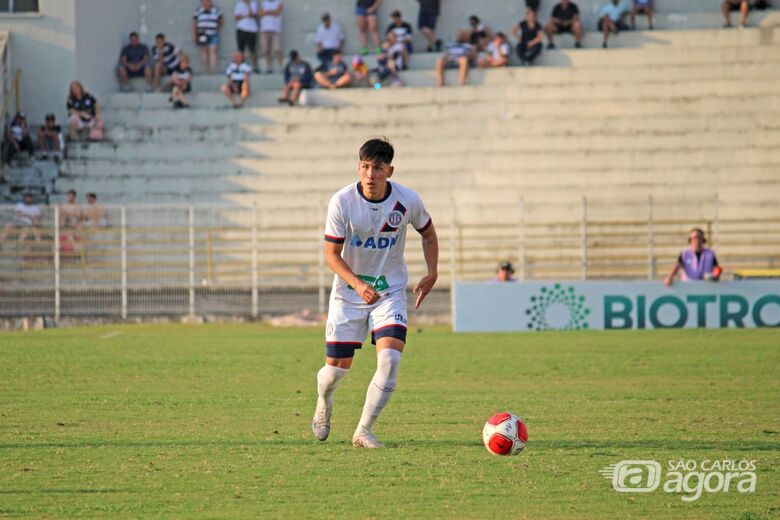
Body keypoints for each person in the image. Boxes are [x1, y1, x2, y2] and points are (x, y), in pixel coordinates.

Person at [311, 138, 438, 449]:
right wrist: (357, 283)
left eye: (377, 168)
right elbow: (331, 254)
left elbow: (428, 234)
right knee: (334, 373)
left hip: (390, 291)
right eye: (365, 167)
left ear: (389, 171)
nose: (370, 175)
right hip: (348, 295)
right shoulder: (342, 201)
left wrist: (432, 272)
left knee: (391, 360)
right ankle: (323, 401)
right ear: (359, 167)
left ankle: (363, 431)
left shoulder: (407, 200)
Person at [193, 0, 224, 74]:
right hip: (202, 34)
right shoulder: (198, 11)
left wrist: (215, 28)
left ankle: (212, 70)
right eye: (204, 2)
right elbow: (194, 23)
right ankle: (205, 70)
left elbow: (221, 21)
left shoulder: (216, 10)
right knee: (204, 51)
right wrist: (195, 34)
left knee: (213, 51)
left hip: (213, 34)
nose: (206, 3)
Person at [259, 0, 284, 74]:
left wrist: (266, 12)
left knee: (277, 49)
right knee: (266, 50)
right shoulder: (263, 2)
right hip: (264, 29)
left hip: (275, 30)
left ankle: (280, 66)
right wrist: (271, 12)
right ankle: (268, 67)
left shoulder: (279, 2)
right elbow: (260, 13)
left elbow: (277, 12)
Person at [235, 0, 259, 73]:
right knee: (240, 49)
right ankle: (241, 67)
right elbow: (236, 16)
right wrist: (245, 15)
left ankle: (254, 67)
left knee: (252, 50)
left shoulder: (254, 3)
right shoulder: (239, 4)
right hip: (241, 28)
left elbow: (254, 15)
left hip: (252, 29)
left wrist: (248, 6)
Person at [59, 190, 82, 256]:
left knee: (75, 239)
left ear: (74, 197)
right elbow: (60, 216)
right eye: (69, 196)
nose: (70, 198)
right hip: (64, 226)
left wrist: (66, 214)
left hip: (74, 226)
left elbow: (78, 215)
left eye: (72, 196)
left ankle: (77, 255)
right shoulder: (63, 205)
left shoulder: (77, 206)